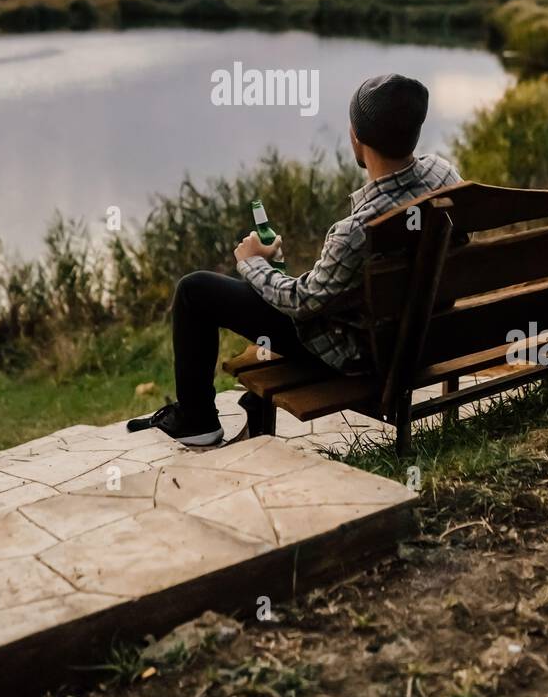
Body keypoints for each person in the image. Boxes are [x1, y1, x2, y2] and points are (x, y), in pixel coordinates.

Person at [128, 73, 462, 445]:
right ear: (414, 131)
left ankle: (197, 421)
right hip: (425, 333)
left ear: (357, 136)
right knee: (270, 287)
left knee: (195, 290)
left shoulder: (357, 230)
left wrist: (252, 261)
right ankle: (249, 405)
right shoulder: (444, 174)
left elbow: (303, 304)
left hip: (363, 353)